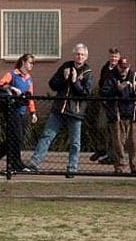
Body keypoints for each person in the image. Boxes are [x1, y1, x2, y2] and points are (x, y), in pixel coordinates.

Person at [29, 43, 94, 177]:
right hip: (59, 109)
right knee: (47, 135)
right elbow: (52, 84)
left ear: (86, 57)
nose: (79, 57)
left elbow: (85, 93)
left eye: (82, 55)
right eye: (77, 54)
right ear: (74, 55)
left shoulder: (88, 72)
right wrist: (65, 80)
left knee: (75, 142)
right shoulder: (65, 66)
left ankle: (72, 168)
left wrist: (75, 81)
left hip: (75, 112)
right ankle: (34, 163)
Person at [101, 55, 136, 174]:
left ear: (129, 67)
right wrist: (117, 90)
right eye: (121, 67)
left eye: (125, 68)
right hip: (117, 115)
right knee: (118, 142)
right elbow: (104, 93)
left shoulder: (135, 77)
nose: (123, 70)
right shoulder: (111, 78)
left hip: (133, 114)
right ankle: (119, 166)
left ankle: (135, 166)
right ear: (118, 67)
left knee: (134, 142)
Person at [0, 54, 37, 172]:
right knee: (16, 137)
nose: (31, 65)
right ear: (23, 62)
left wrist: (33, 112)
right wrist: (11, 88)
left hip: (22, 111)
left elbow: (30, 96)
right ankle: (15, 163)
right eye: (30, 62)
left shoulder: (29, 79)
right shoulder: (12, 74)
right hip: (12, 110)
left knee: (18, 138)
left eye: (33, 63)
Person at [89, 47, 121, 166]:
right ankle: (101, 149)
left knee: (113, 130)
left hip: (115, 103)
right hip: (104, 102)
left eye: (116, 57)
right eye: (112, 56)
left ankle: (112, 155)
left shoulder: (119, 69)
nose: (113, 59)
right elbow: (101, 82)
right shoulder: (105, 68)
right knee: (101, 126)